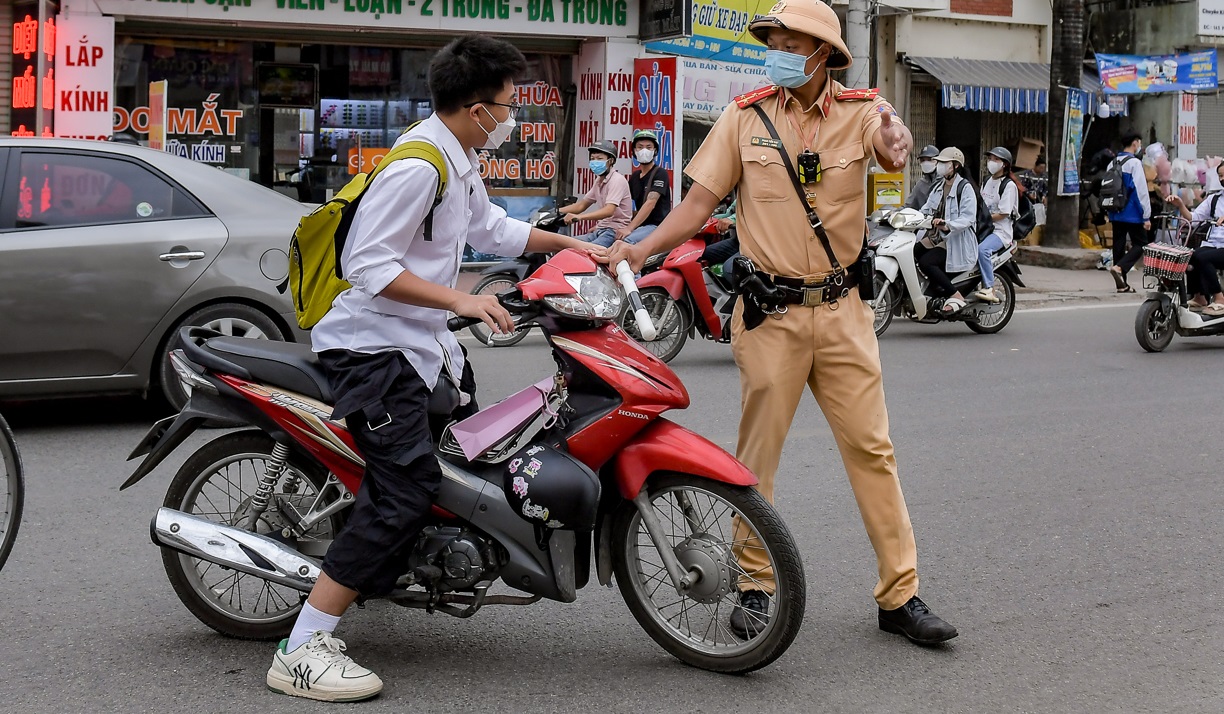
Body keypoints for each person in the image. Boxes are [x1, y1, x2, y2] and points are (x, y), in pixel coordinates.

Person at [607, 0, 957, 646]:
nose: (778, 50)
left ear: (823, 53)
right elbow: (697, 205)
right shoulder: (745, 119)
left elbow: (891, 150)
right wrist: (641, 247)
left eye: (790, 42)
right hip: (770, 316)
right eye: (773, 40)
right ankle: (756, 589)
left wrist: (895, 144)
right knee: (755, 463)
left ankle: (900, 595)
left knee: (873, 453)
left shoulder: (861, 114)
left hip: (846, 313)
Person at [267, 36, 603, 703]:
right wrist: (463, 299)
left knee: (458, 457)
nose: (509, 118)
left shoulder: (460, 157)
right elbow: (368, 265)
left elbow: (492, 230)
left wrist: (569, 243)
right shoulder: (419, 166)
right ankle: (300, 646)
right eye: (506, 106)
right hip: (373, 350)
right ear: (477, 108)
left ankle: (388, 568)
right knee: (405, 488)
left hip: (418, 346)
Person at [918, 147, 979, 314]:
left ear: (956, 166)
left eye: (945, 162)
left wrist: (948, 224)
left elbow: (968, 218)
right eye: (940, 162)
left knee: (926, 262)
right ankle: (927, 290)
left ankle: (955, 294)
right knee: (912, 251)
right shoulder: (939, 185)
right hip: (937, 236)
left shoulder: (965, 188)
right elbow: (926, 209)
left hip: (955, 239)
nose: (940, 165)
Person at [1165, 161, 1224, 315]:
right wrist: (1180, 205)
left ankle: (1219, 298)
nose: (1222, 179)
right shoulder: (1214, 199)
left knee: (1204, 258)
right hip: (1213, 244)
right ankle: (1200, 297)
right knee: (1190, 255)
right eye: (1220, 176)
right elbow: (1193, 217)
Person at [558, 140, 633, 247]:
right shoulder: (599, 181)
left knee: (585, 252)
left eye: (599, 159)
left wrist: (579, 217)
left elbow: (609, 211)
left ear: (610, 161)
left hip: (613, 232)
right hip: (600, 230)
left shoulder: (617, 180)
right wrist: (555, 211)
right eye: (592, 159)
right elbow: (581, 205)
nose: (595, 162)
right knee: (563, 244)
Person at [1106, 133, 1153, 293]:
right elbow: (1141, 190)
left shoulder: (1112, 162)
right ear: (1135, 143)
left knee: (1118, 244)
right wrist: (1146, 215)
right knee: (1141, 243)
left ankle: (1122, 284)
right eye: (1139, 142)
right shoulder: (1134, 163)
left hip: (1115, 210)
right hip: (1132, 211)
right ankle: (1120, 268)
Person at [974, 147, 1020, 304]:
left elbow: (1004, 213)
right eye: (990, 159)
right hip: (983, 228)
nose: (991, 162)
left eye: (996, 160)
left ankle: (989, 287)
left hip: (1000, 232)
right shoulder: (987, 181)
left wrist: (983, 219)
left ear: (1005, 165)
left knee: (982, 250)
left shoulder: (1009, 186)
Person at [616, 129, 673, 245]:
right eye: (640, 147)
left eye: (649, 147)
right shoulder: (635, 177)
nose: (644, 150)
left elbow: (650, 203)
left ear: (655, 151)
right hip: (640, 226)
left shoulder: (660, 173)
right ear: (634, 151)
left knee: (626, 241)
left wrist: (629, 228)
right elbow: (622, 203)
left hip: (656, 226)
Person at [904, 145, 940, 210]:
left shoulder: (944, 181)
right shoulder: (920, 184)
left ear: (938, 161)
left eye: (929, 159)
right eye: (922, 160)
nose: (926, 163)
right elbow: (908, 205)